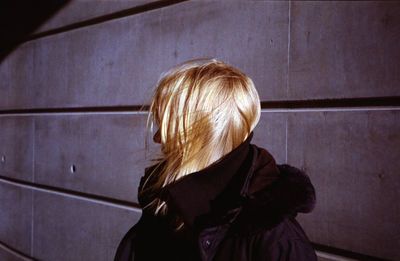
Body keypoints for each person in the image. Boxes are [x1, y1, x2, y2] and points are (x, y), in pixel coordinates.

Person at [114, 59, 317, 261]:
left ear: (204, 134)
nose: (157, 138)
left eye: (169, 127)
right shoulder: (163, 210)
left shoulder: (277, 241)